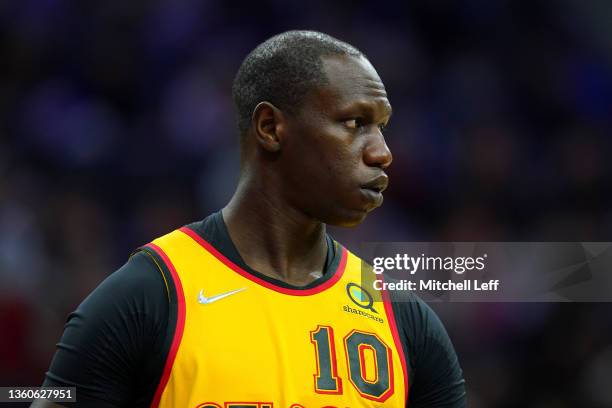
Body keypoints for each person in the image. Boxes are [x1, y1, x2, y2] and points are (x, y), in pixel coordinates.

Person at [34, 30, 465, 407]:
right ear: (270, 127)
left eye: (382, 127)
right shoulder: (150, 295)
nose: (381, 152)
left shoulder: (404, 318)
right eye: (355, 123)